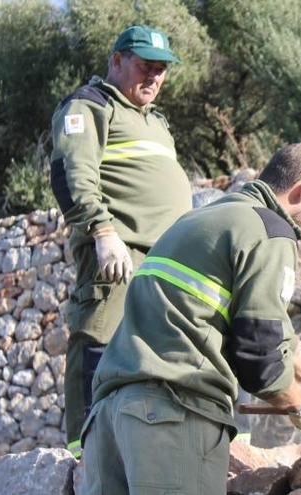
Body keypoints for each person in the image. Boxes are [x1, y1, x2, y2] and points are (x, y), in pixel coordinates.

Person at [78, 143, 301, 495]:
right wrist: (298, 402)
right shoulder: (269, 231)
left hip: (108, 422)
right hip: (172, 419)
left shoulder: (196, 222)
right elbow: (261, 354)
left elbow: (278, 335)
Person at [50, 25, 192, 458]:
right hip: (119, 250)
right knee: (97, 336)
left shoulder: (156, 121)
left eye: (161, 70)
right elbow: (71, 174)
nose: (153, 77)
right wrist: (102, 231)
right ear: (116, 60)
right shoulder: (90, 106)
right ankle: (83, 450)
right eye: (144, 66)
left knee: (168, 353)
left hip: (168, 256)